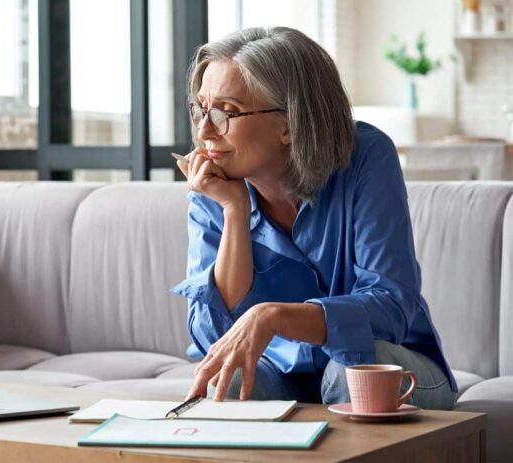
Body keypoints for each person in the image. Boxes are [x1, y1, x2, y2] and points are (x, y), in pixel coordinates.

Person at [170, 26, 457, 410]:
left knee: (351, 372)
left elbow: (391, 307)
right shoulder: (215, 185)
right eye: (200, 108)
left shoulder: (366, 157)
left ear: (289, 123)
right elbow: (215, 338)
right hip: (282, 374)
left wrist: (274, 317)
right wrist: (234, 212)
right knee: (230, 379)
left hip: (392, 364)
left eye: (227, 112)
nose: (205, 130)